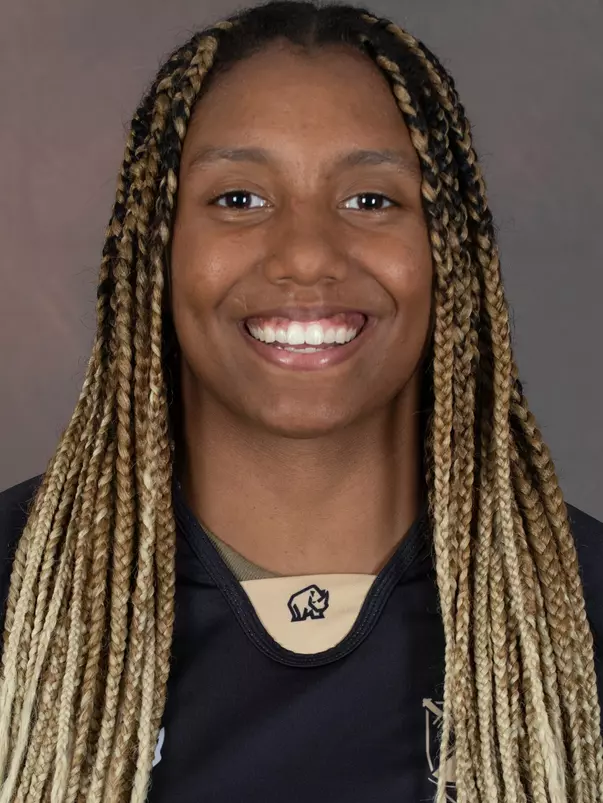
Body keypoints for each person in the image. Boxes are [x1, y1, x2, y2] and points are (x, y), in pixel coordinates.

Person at [0, 1, 601, 801]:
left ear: (447, 251)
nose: (308, 255)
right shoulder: (20, 600)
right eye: (239, 199)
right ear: (158, 247)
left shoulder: (577, 614)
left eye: (370, 200)